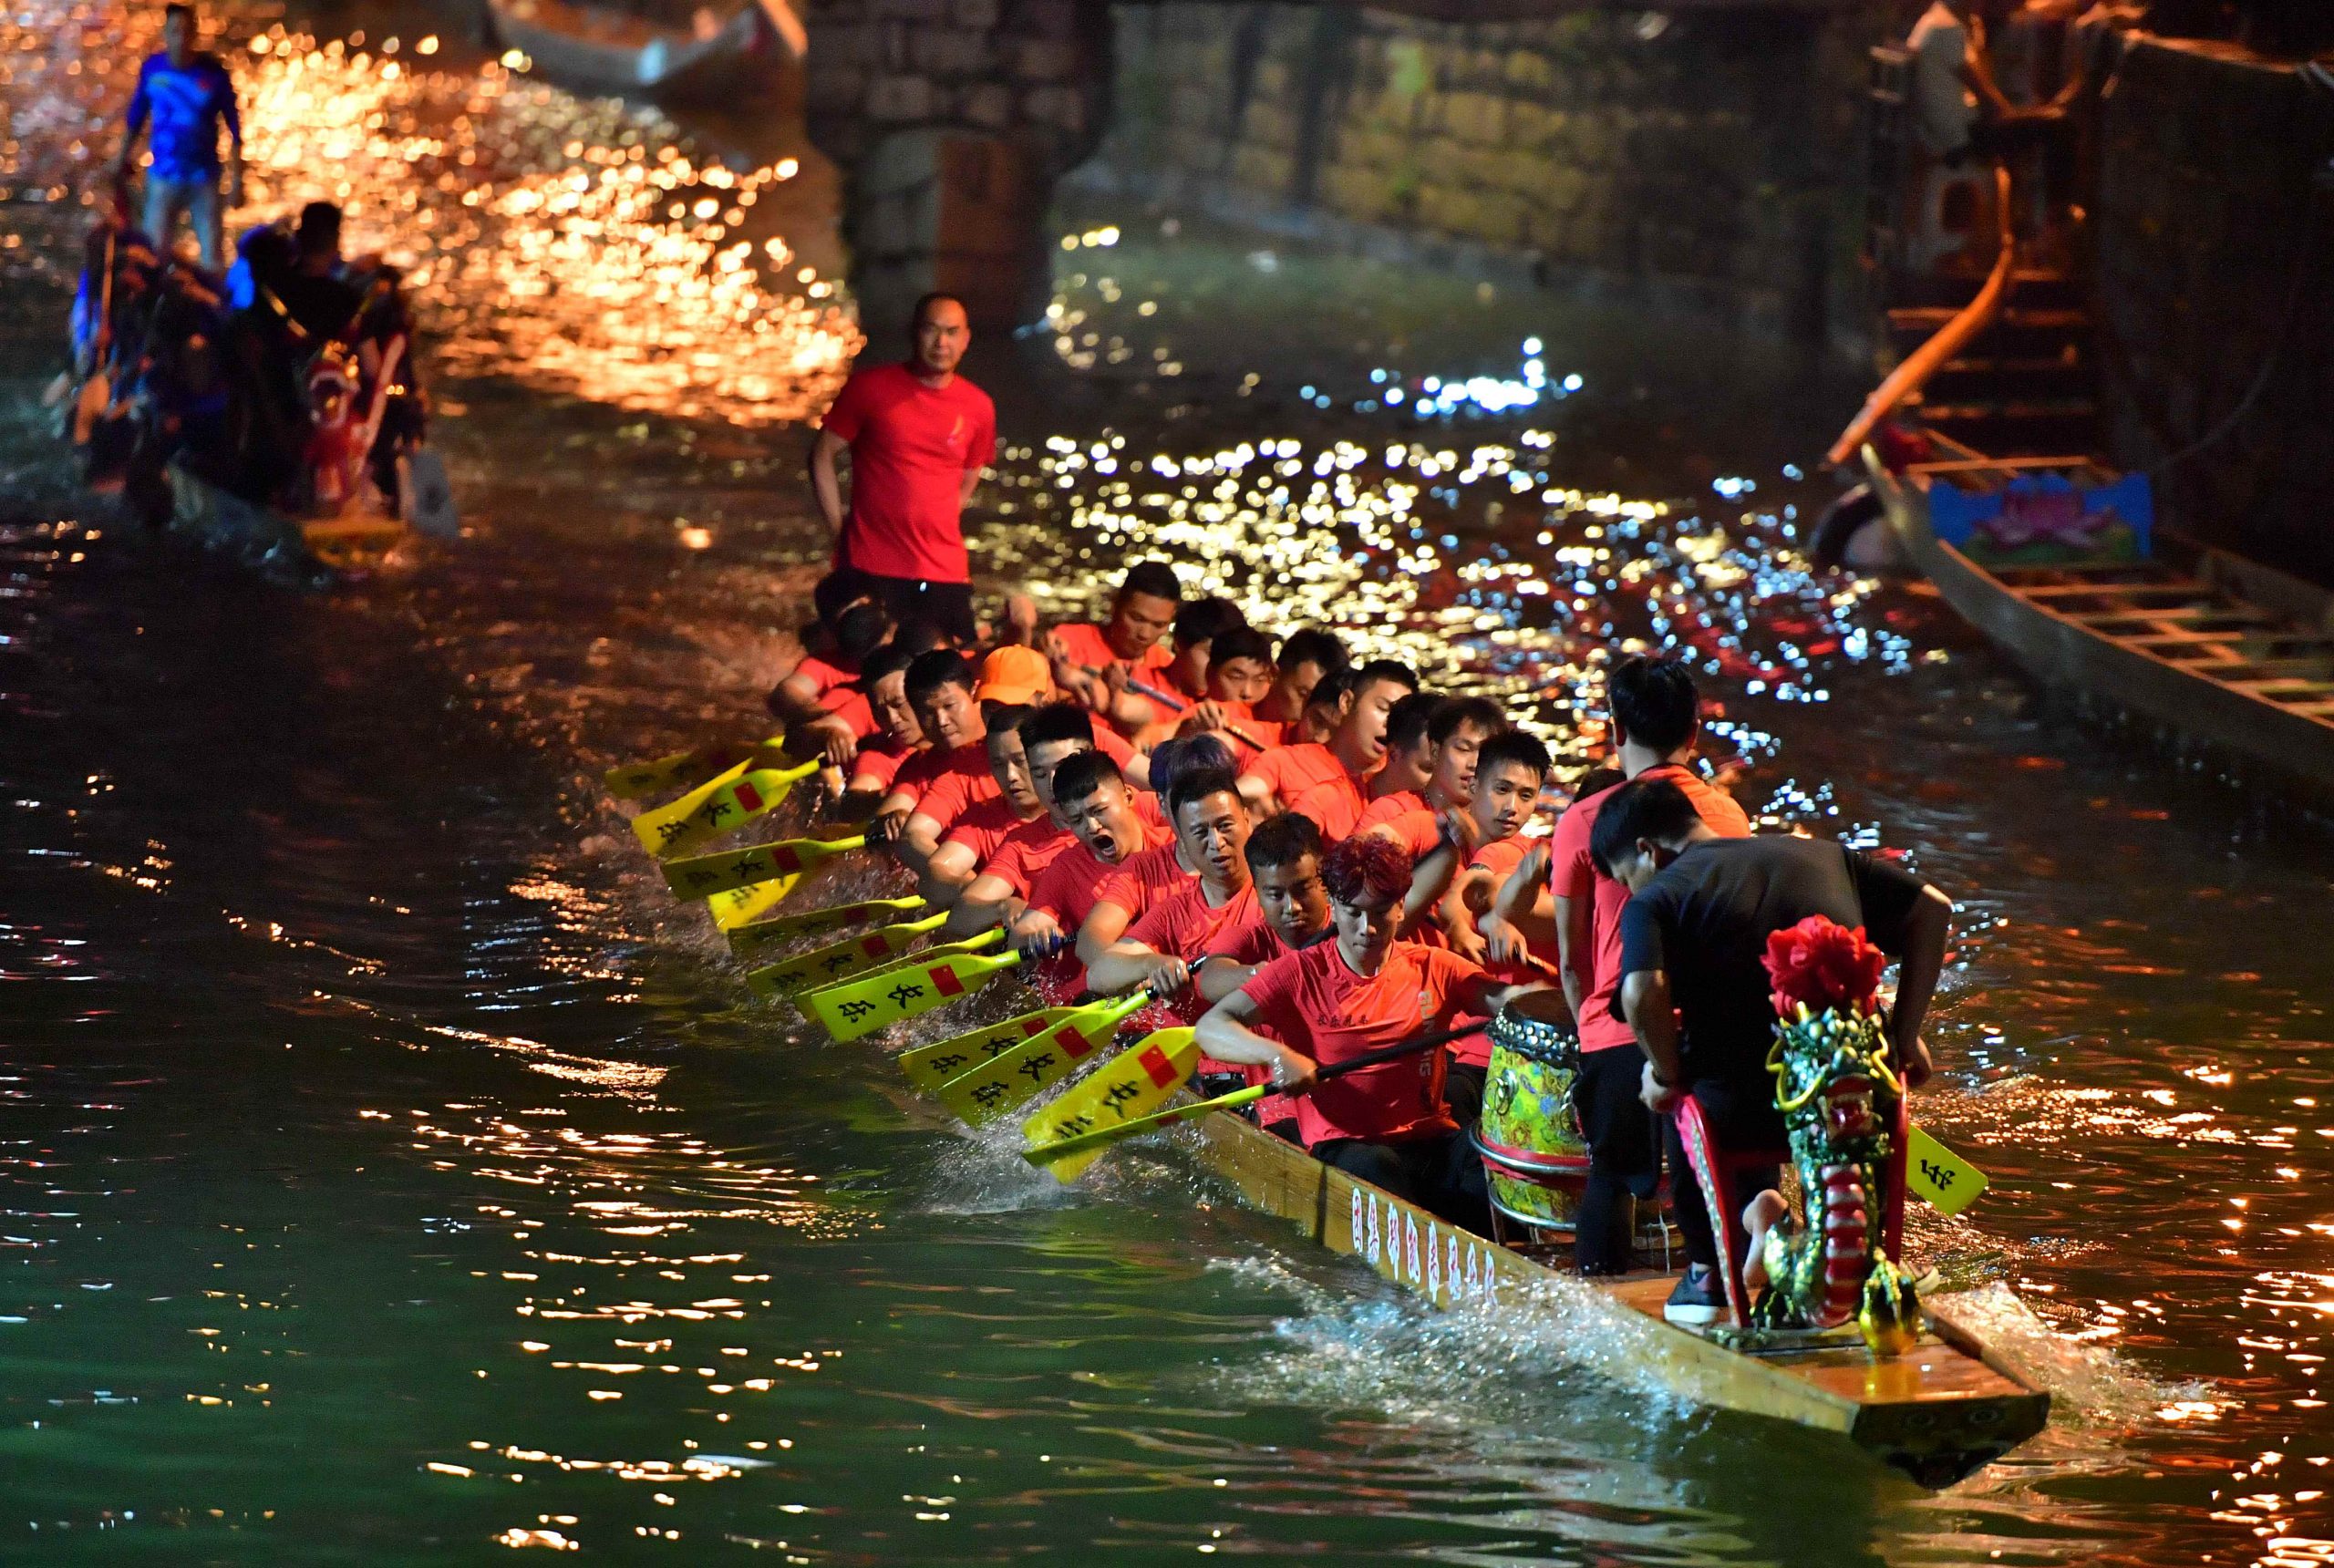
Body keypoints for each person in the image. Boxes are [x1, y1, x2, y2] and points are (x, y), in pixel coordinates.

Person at [1597, 777, 1949, 1324]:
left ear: (1647, 850)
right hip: (1851, 1104)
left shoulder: (1656, 897)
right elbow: (1934, 908)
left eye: (1624, 878)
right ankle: (1869, 1256)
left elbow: (1641, 992)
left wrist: (1664, 1074)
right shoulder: (1826, 855)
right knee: (1869, 1098)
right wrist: (1903, 1037)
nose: (1630, 889)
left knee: (1673, 1093)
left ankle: (1709, 1274)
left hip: (1740, 1113)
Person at [1485, 655, 1751, 1275]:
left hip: (1618, 1025)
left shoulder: (1583, 820)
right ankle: (1720, 1297)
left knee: (1609, 1177)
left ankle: (1598, 1301)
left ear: (1615, 730)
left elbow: (1574, 958)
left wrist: (1593, 1037)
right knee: (1710, 1173)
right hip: (1709, 1030)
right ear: (1693, 734)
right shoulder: (1730, 818)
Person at [1196, 835, 1546, 1233]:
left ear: (1401, 906)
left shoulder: (1433, 965)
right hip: (1350, 1149)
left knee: (1487, 1150)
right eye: (1353, 913)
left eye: (1381, 912)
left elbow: (1508, 1000)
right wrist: (1277, 1056)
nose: (1368, 929)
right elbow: (1212, 1027)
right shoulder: (1300, 972)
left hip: (1431, 1142)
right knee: (1375, 1165)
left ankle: (1522, 1256)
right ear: (1335, 907)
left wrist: (1544, 994)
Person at [811, 293, 996, 644]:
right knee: (866, 667)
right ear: (914, 333)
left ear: (966, 339)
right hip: (870, 563)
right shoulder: (870, 388)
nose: (942, 342)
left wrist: (940, 516)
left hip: (944, 567)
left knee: (950, 667)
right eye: (931, 330)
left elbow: (971, 471)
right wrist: (838, 530)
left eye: (952, 332)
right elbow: (822, 455)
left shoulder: (979, 406)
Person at [1086, 765, 1256, 1017]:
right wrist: (1149, 963)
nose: (1216, 842)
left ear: (1247, 820)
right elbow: (1098, 975)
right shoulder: (1175, 911)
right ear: (1183, 844)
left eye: (1225, 826)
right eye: (1200, 833)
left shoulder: (1277, 891)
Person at [945, 702, 1103, 937]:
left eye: (1063, 767)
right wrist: (1003, 906)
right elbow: (959, 918)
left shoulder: (1146, 810)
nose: (1053, 784)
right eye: (1039, 774)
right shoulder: (1020, 846)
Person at [1007, 751, 1176, 966]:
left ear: (1129, 797)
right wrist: (1033, 937)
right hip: (1113, 983)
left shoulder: (1174, 847)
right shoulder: (1067, 869)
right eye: (1077, 820)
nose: (1092, 827)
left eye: (1098, 810)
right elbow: (1022, 934)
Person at [113, 3, 243, 271]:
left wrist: (238, 180)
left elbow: (235, 128)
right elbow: (136, 117)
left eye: (186, 31)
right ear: (165, 33)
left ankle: (214, 304)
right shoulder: (153, 70)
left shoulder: (214, 75)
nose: (180, 39)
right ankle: (154, 304)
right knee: (152, 250)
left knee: (212, 254)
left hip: (203, 177)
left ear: (195, 34)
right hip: (163, 175)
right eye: (174, 31)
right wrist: (120, 159)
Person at [1237, 658, 1418, 841]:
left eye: (1400, 720)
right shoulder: (1286, 761)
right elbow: (1237, 796)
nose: (1391, 724)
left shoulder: (1401, 782)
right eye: (1382, 708)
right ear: (1346, 702)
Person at [1045, 562, 1183, 735]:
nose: (1145, 634)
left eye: (1159, 625)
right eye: (1137, 618)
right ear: (1115, 605)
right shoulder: (1067, 642)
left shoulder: (1167, 669)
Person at [270, 201, 363, 345]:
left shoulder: (272, 291)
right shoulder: (346, 301)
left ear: (298, 237)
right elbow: (369, 363)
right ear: (336, 241)